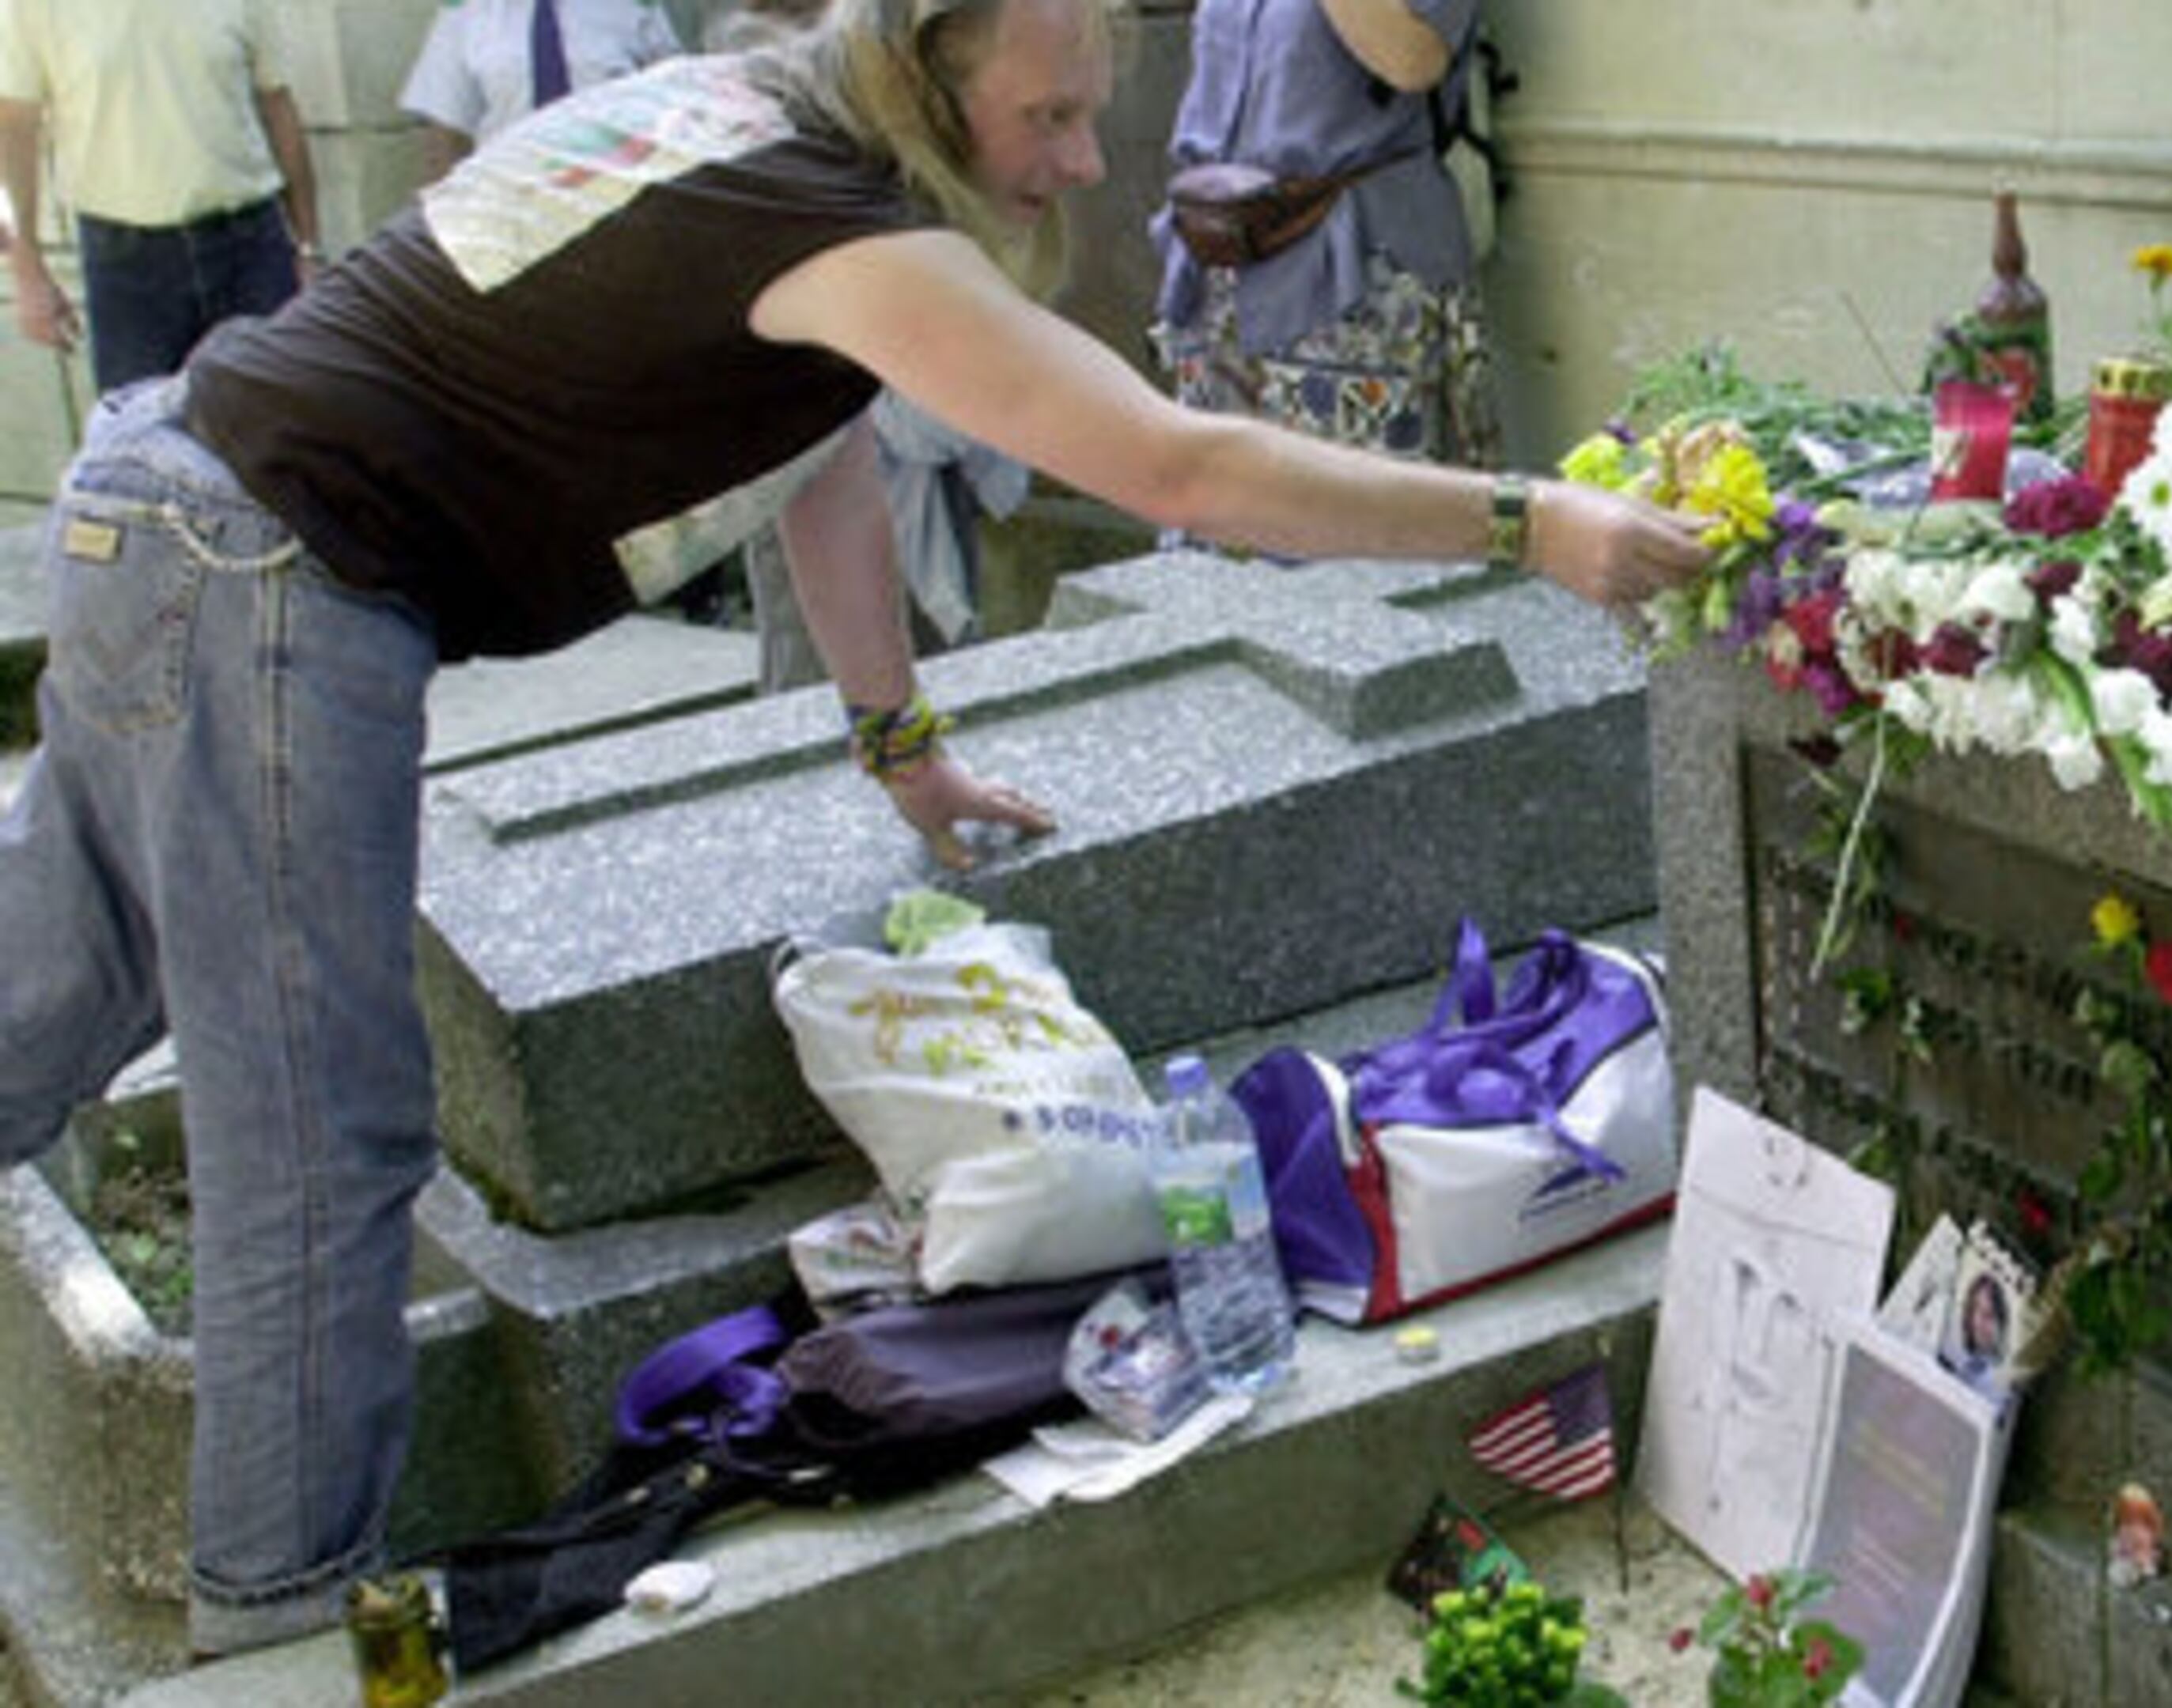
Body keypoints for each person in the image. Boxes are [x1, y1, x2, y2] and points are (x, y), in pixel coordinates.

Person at [0, 0, 1704, 1659]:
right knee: (328, 1131)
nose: (1085, 159)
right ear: (922, 72)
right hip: (270, 578)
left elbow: (803, 446)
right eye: (1045, 117)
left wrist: (900, 746)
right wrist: (1528, 520)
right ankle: (280, 1612)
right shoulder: (846, 225)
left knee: (67, 994)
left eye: (1092, 109)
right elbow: (1178, 470)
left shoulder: (760, 128)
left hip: (171, 509)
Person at [1150, 0, 1496, 468]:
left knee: (1367, 517)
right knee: (1224, 505)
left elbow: (1411, 59)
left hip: (1354, 274)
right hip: (1223, 265)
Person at [0, 0, 324, 391]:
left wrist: (308, 250)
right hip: (127, 269)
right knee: (144, 442)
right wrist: (28, 269)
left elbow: (278, 105)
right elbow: (14, 127)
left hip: (251, 250)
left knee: (283, 430)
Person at [398, 0, 687, 182]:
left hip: (613, 204)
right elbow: (447, 140)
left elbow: (675, 118)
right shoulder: (466, 11)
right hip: (509, 210)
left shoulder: (633, 6)